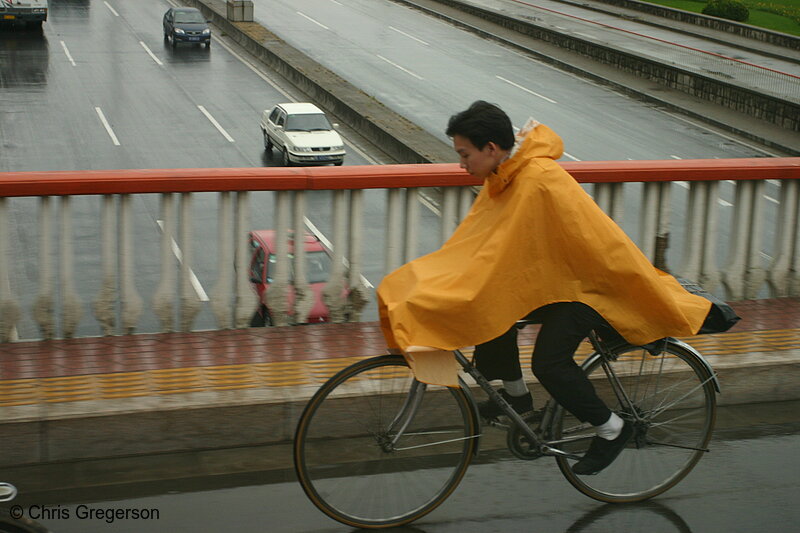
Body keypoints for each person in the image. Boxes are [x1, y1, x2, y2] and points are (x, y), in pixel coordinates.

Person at [377, 101, 711, 475]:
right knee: (491, 310)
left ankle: (611, 428)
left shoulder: (535, 178)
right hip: (562, 281)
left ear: (490, 148)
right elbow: (481, 247)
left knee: (548, 362)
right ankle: (518, 400)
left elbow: (506, 251)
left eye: (464, 154)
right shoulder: (504, 177)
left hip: (594, 285)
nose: (461, 164)